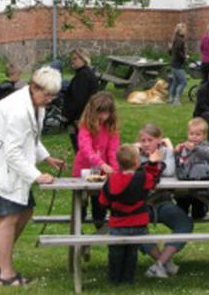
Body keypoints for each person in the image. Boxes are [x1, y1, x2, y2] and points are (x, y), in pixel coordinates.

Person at [0, 66, 67, 286]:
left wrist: (46, 157)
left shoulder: (36, 104)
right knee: (9, 217)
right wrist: (37, 176)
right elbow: (12, 152)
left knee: (25, 210)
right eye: (47, 94)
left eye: (53, 95)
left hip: (9, 165)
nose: (50, 99)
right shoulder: (17, 110)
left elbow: (31, 137)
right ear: (34, 87)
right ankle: (6, 273)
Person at [98, 144, 163, 284]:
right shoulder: (143, 177)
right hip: (138, 222)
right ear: (136, 162)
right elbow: (153, 178)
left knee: (116, 253)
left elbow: (103, 201)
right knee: (132, 252)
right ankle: (129, 279)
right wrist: (153, 162)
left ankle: (115, 279)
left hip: (117, 223)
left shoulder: (112, 179)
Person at [137, 124, 193, 278]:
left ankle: (159, 264)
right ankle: (164, 262)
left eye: (150, 140)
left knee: (185, 223)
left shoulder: (166, 152)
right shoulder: (135, 154)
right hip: (143, 204)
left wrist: (156, 157)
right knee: (133, 225)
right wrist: (146, 158)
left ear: (159, 140)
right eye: (143, 140)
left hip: (164, 202)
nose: (146, 144)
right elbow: (132, 171)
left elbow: (169, 171)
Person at [73, 92, 120, 227]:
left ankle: (99, 226)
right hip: (83, 170)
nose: (103, 117)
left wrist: (114, 169)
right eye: (100, 113)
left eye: (106, 113)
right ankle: (77, 228)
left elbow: (113, 151)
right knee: (80, 202)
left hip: (101, 174)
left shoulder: (111, 129)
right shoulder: (85, 127)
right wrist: (101, 164)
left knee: (99, 201)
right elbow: (86, 149)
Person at [174, 117, 209, 220]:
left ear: (204, 135)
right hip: (184, 185)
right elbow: (180, 162)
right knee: (181, 210)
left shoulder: (205, 147)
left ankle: (203, 208)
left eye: (198, 135)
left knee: (198, 214)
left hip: (200, 186)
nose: (194, 137)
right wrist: (176, 153)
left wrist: (196, 148)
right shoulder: (185, 147)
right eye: (191, 134)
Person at [62, 49, 99, 151]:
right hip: (84, 116)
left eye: (75, 59)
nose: (72, 61)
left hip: (79, 118)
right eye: (71, 59)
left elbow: (78, 100)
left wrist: (68, 117)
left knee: (80, 147)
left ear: (83, 59)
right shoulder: (85, 74)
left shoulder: (83, 76)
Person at [168, 23, 187, 106]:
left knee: (175, 82)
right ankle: (176, 99)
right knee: (183, 82)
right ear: (181, 30)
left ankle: (170, 98)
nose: (186, 31)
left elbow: (170, 51)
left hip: (173, 63)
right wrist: (185, 57)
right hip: (178, 64)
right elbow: (179, 52)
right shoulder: (180, 40)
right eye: (185, 29)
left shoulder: (175, 39)